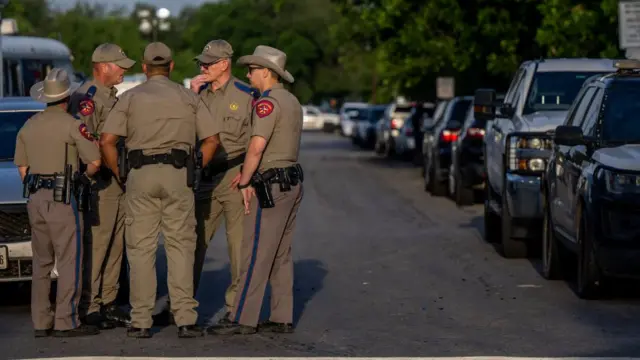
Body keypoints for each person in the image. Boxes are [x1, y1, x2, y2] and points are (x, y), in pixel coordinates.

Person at [99, 42, 221, 339]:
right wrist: (196, 167)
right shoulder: (187, 97)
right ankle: (185, 319)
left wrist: (121, 173)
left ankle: (141, 320)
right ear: (171, 67)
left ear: (143, 68)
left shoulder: (130, 98)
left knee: (141, 249)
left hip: (139, 176)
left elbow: (106, 140)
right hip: (179, 175)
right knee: (181, 247)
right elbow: (212, 139)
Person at [207, 45, 304, 335]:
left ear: (266, 72)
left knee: (256, 252)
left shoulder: (267, 103)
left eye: (252, 69)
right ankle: (281, 316)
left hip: (271, 184)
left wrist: (246, 180)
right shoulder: (292, 101)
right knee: (280, 253)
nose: (247, 74)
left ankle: (241, 318)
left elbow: (257, 146)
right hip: (291, 181)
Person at [15, 68, 102, 337]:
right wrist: (80, 179)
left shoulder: (29, 125)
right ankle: (66, 320)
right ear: (67, 98)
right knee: (68, 260)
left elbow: (23, 168)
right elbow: (95, 162)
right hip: (62, 198)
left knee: (41, 262)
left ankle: (41, 322)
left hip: (35, 198)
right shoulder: (73, 125)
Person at [69, 43, 135, 329]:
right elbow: (86, 141)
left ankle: (109, 301)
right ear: (104, 66)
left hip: (118, 179)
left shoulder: (111, 97)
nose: (124, 70)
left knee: (116, 243)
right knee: (97, 244)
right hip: (101, 182)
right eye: (120, 65)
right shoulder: (88, 97)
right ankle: (90, 303)